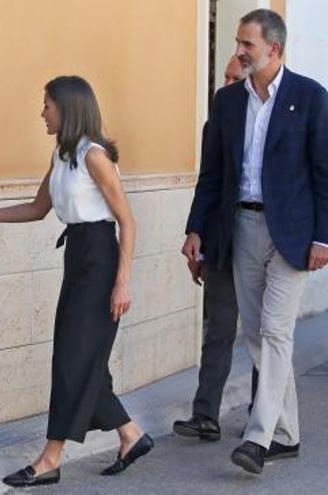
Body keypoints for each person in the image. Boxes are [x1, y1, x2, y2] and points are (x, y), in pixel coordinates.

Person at [0, 76, 153, 487]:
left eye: (47, 106)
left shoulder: (94, 156)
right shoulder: (63, 153)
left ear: (68, 108)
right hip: (77, 256)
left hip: (99, 260)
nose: (42, 112)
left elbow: (127, 221)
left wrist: (122, 282)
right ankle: (131, 435)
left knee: (72, 362)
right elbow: (37, 208)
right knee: (83, 360)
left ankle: (50, 459)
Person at [183, 9, 328, 474]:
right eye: (238, 42)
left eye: (248, 44)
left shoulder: (309, 97)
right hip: (241, 227)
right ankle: (286, 432)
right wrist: (196, 228)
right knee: (255, 334)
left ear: (274, 49)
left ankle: (258, 437)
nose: (240, 51)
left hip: (293, 233)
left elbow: (324, 173)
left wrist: (324, 238)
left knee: (275, 331)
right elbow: (212, 175)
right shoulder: (227, 102)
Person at [173, 55, 252, 441]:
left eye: (235, 78)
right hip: (223, 241)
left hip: (266, 243)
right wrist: (196, 233)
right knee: (219, 328)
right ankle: (205, 415)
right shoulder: (217, 120)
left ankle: (264, 413)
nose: (226, 84)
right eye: (225, 76)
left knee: (262, 332)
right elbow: (208, 181)